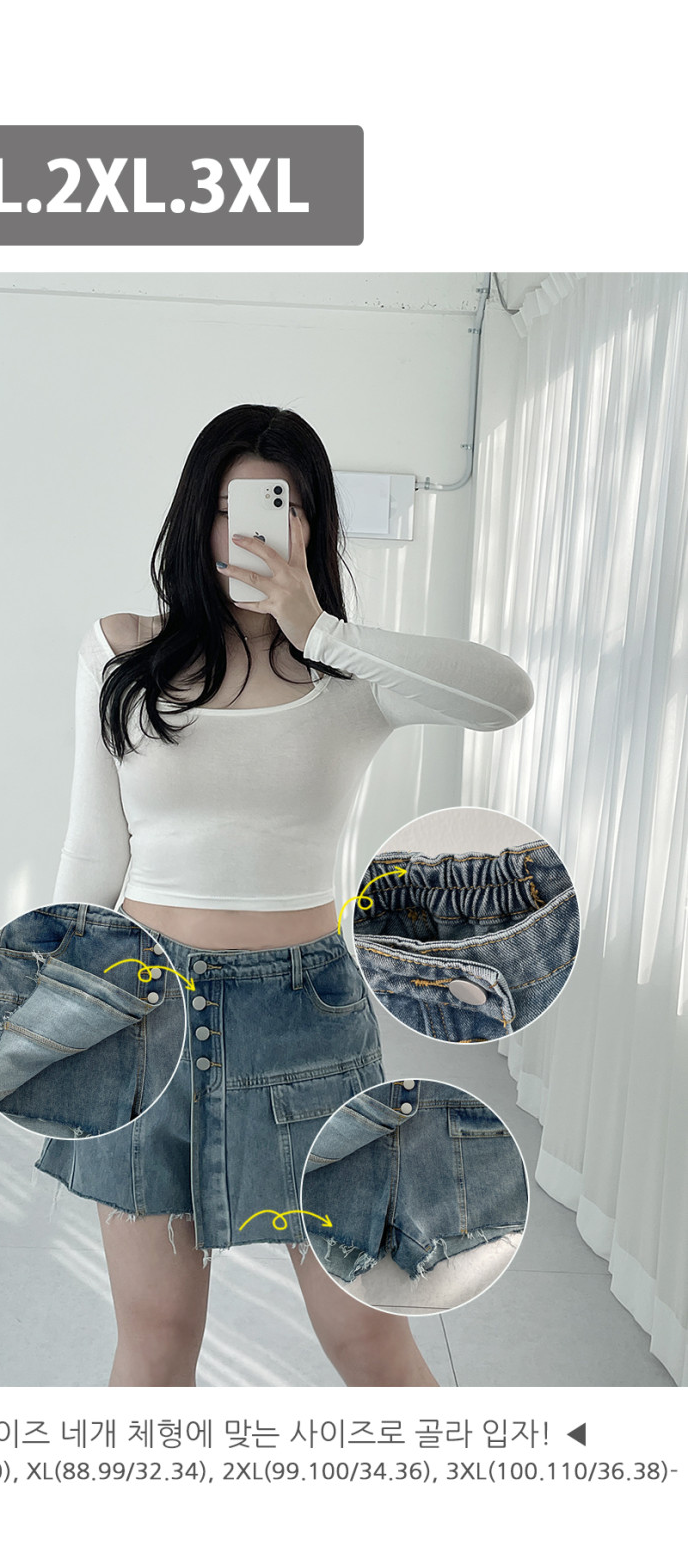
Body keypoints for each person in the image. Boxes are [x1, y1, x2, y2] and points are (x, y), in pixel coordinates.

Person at [36, 404, 534, 1386]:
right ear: (198, 518)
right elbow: (93, 851)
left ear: (313, 525)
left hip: (306, 1023)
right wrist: (51, 1012)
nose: (254, 530)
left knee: (367, 1337)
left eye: (283, 507)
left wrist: (319, 628)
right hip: (140, 1011)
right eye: (231, 508)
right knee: (155, 1341)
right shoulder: (124, 650)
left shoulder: (353, 676)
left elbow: (503, 695)